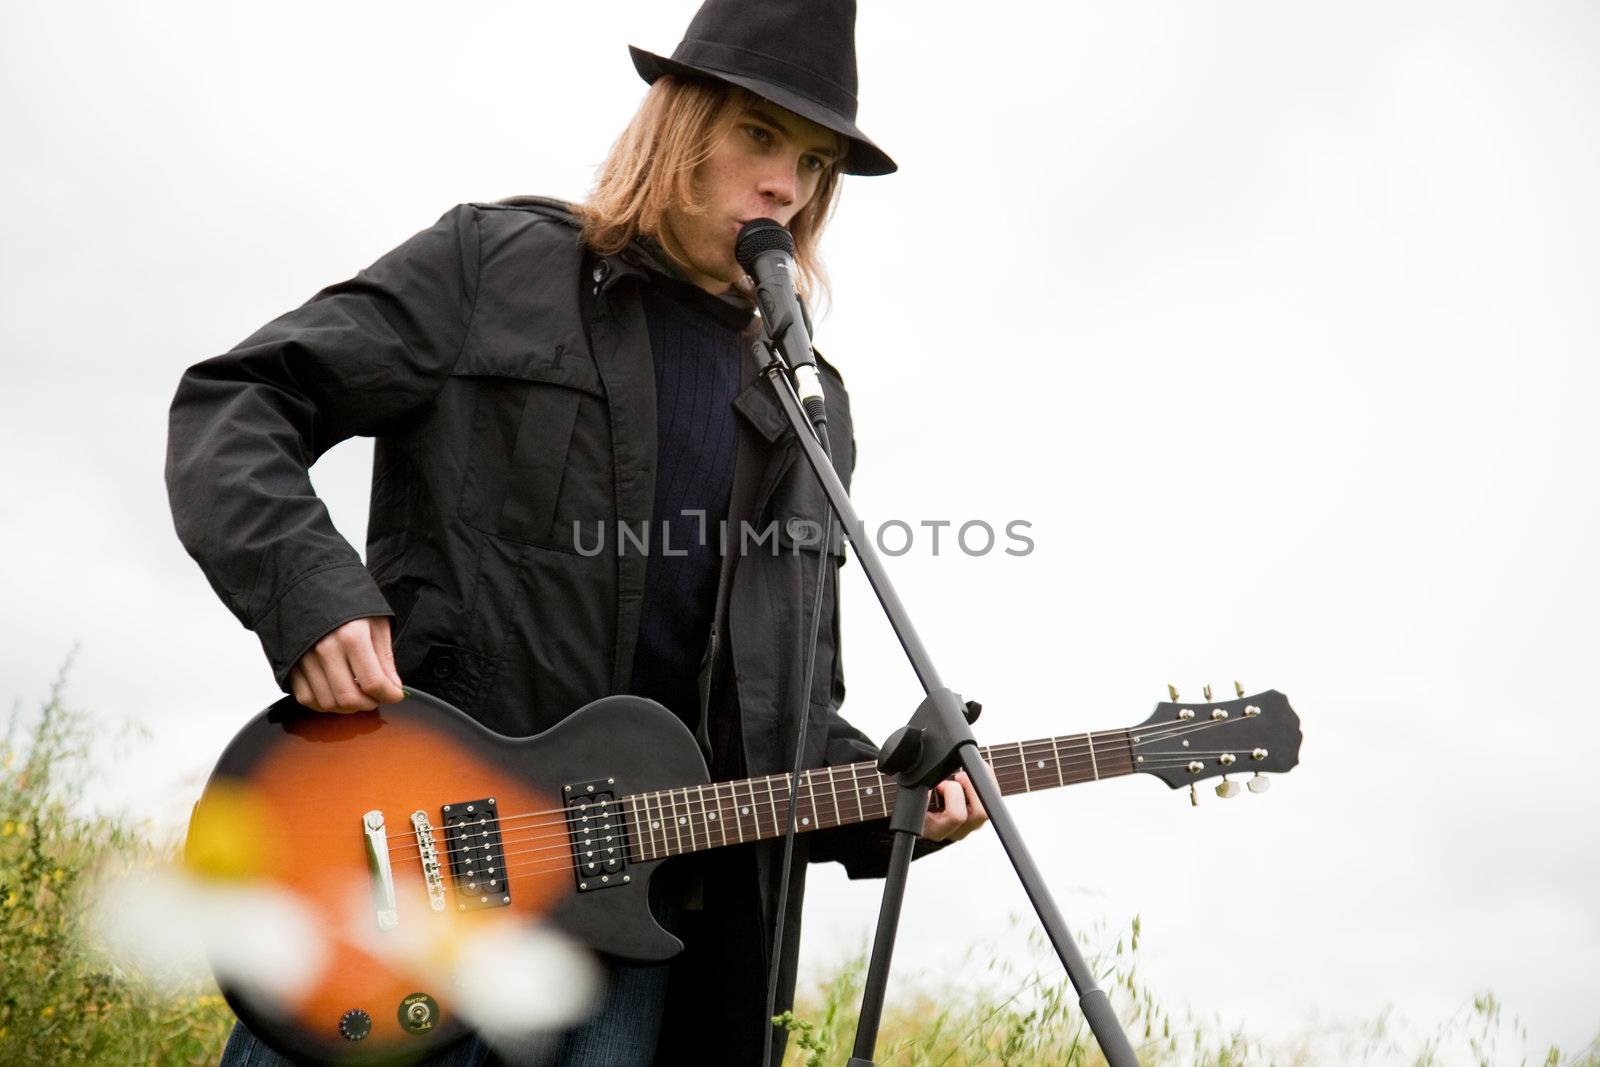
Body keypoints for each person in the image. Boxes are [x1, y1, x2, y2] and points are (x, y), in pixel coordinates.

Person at [166, 1, 988, 1063]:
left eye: (815, 161)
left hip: (622, 959)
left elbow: (780, 724)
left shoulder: (805, 409)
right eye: (756, 134)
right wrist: (309, 593)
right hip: (389, 877)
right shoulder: (490, 265)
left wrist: (896, 803)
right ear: (678, 125)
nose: (786, 184)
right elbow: (239, 403)